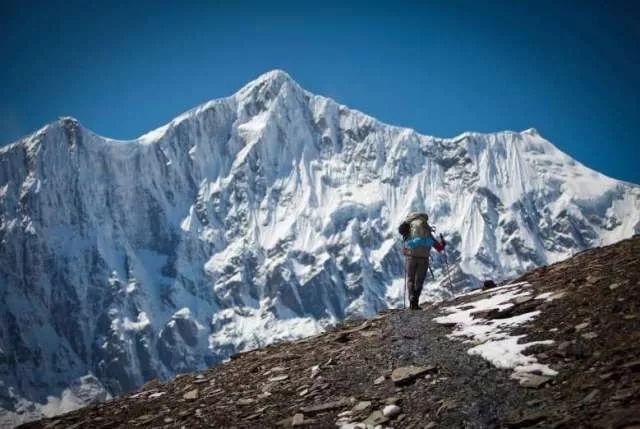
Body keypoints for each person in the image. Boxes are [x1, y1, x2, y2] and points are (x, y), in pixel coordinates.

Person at [399, 212, 446, 310]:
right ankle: (415, 302)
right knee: (419, 281)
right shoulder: (426, 228)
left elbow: (406, 242)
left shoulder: (410, 226)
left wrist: (405, 250)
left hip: (411, 257)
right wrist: (442, 245)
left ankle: (411, 298)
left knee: (410, 279)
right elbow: (438, 247)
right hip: (424, 258)